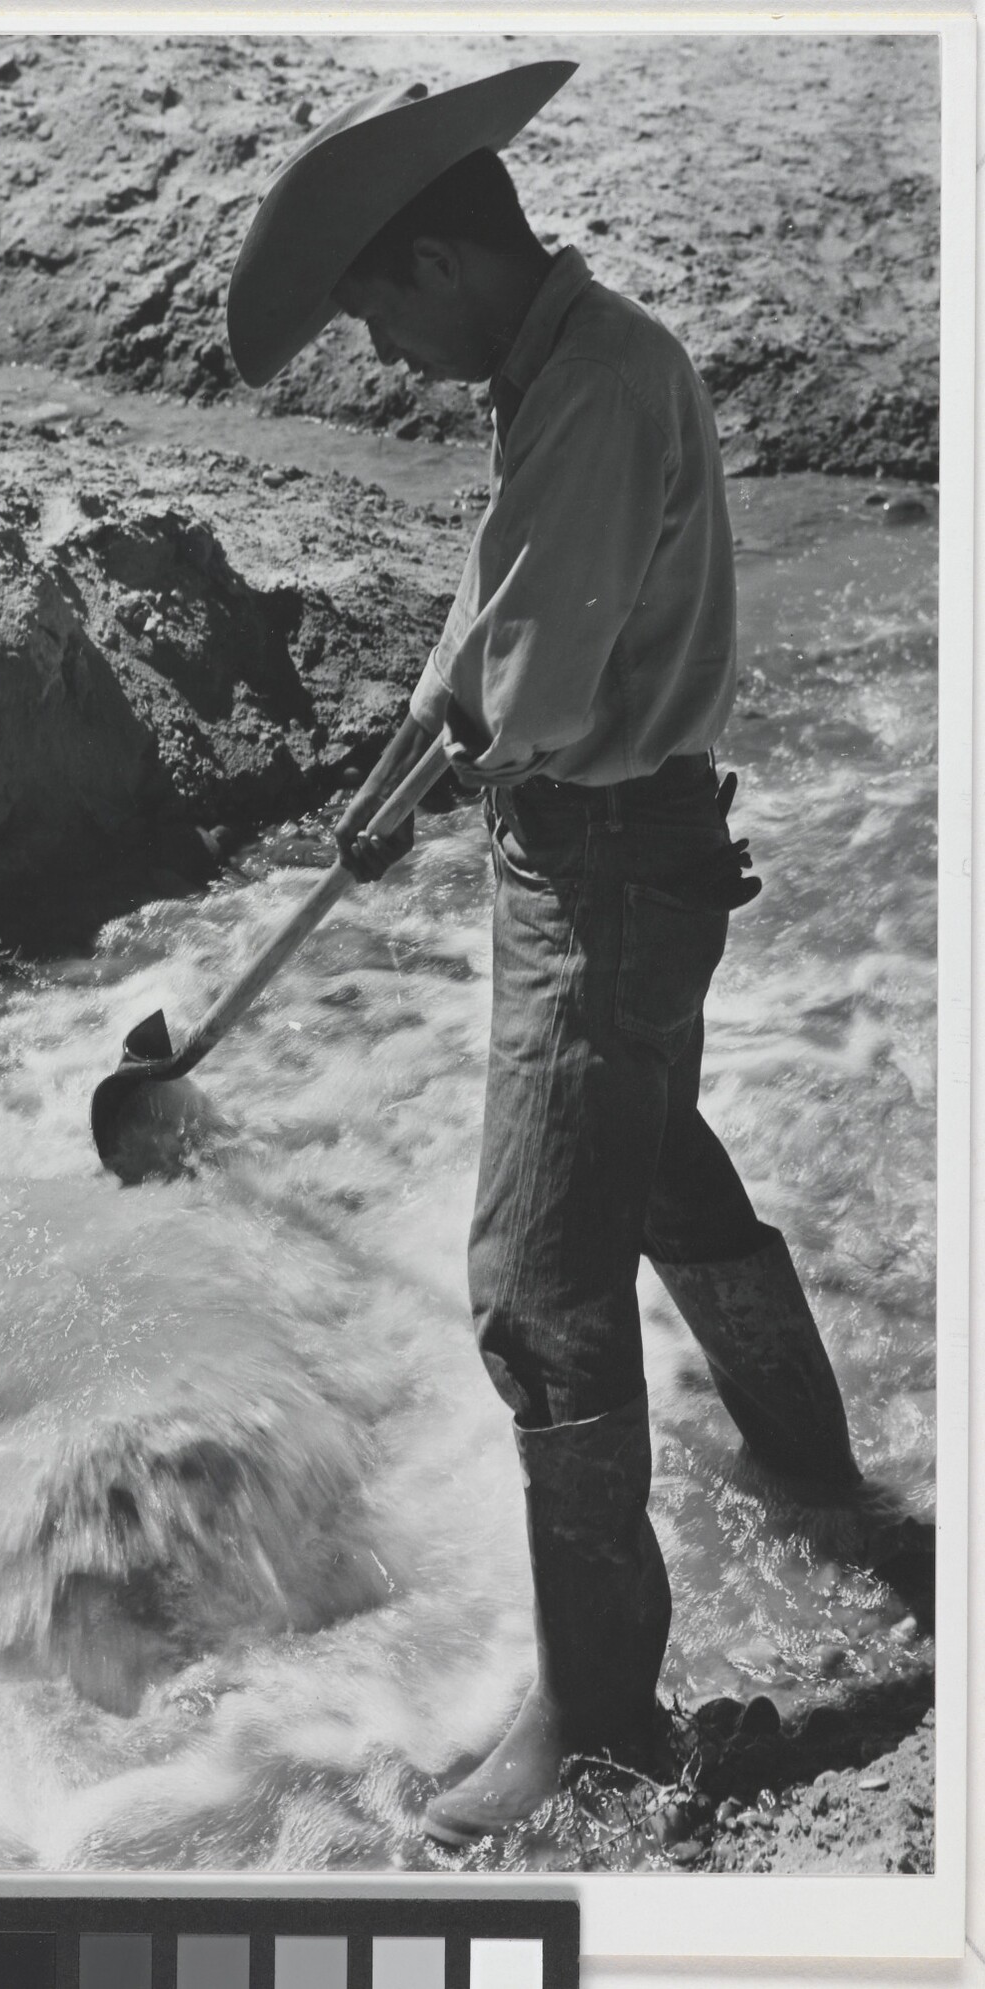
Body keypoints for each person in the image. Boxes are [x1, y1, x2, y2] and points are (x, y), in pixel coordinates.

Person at [226, 64, 868, 1846]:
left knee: (532, 1284)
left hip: (597, 867)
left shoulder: (589, 390)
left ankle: (595, 1708)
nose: (374, 347)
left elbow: (549, 686)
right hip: (626, 848)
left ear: (440, 263)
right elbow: (495, 621)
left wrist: (470, 746)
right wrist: (401, 766)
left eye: (372, 309)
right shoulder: (569, 366)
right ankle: (822, 1472)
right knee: (655, 1168)